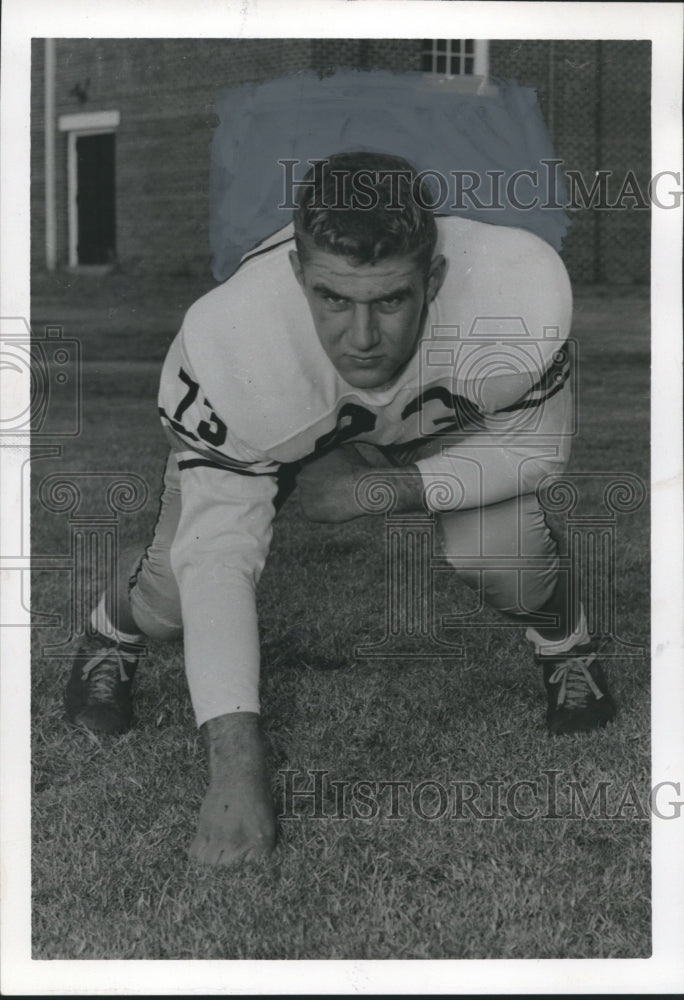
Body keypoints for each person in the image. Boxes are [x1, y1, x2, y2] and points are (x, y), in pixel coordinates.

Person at [65, 152, 615, 866]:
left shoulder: (507, 298)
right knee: (172, 595)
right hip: (286, 412)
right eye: (333, 298)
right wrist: (237, 767)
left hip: (435, 416)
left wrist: (377, 489)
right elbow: (219, 555)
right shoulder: (237, 342)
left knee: (501, 553)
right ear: (298, 275)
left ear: (435, 279)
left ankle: (565, 648)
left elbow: (538, 450)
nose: (361, 338)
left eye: (389, 300)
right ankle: (114, 625)